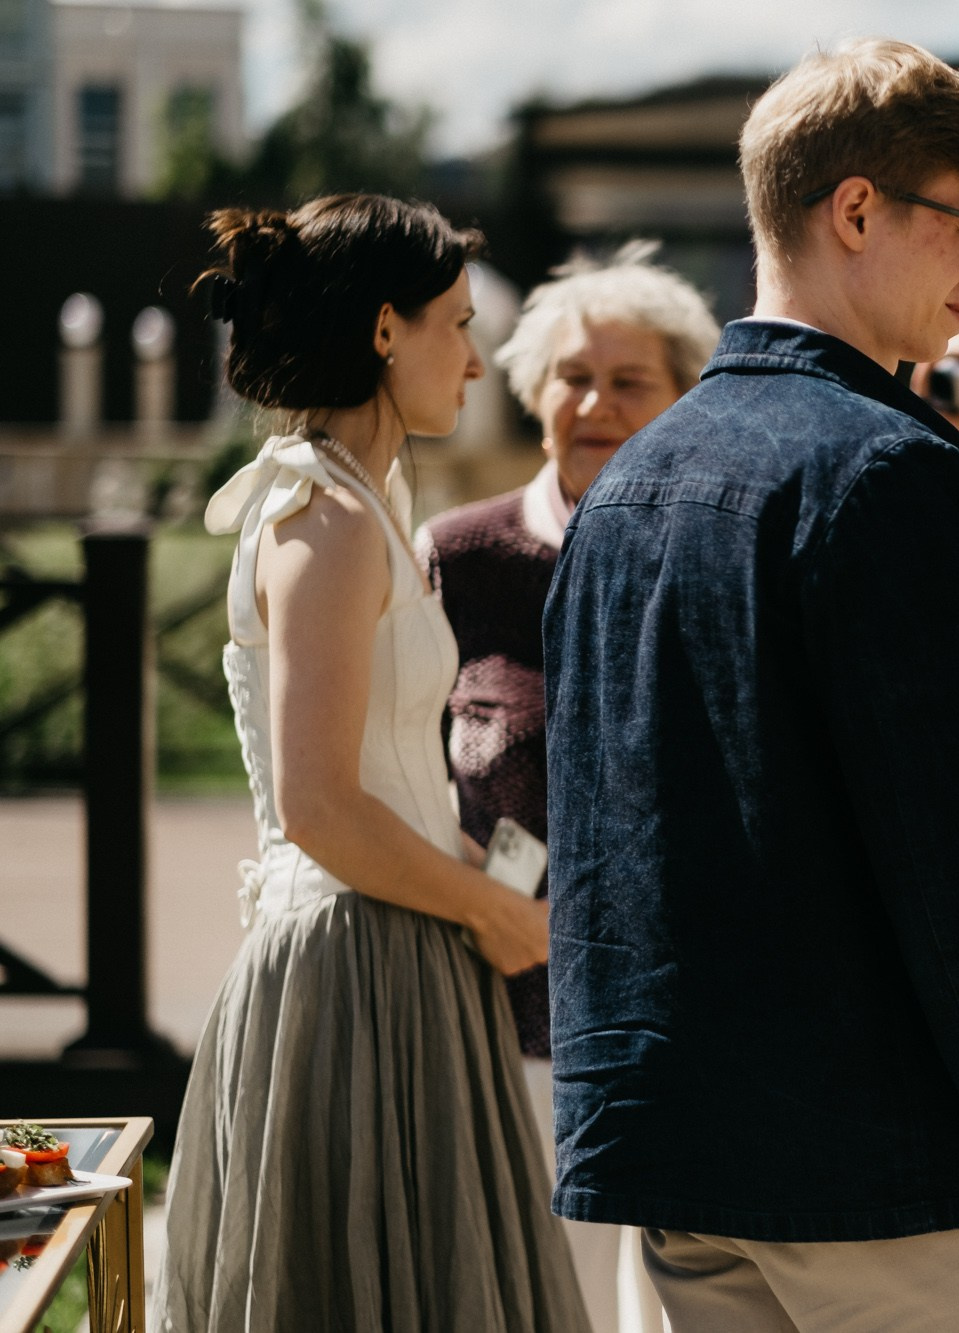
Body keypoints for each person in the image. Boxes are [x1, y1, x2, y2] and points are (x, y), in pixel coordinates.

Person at [542, 39, 959, 1333]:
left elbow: (604, 846)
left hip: (675, 1160)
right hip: (885, 1181)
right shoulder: (888, 468)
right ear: (856, 210)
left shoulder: (628, 482)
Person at [155, 195, 589, 1331]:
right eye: (461, 324)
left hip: (403, 946)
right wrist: (495, 914)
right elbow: (317, 805)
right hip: (353, 971)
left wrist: (482, 884)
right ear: (387, 329)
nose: (479, 361)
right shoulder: (324, 521)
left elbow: (382, 775)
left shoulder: (362, 503)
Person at [417, 241, 719, 1333]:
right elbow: (396, 772)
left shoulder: (721, 554)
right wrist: (478, 895)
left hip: (701, 1022)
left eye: (629, 380)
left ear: (684, 398)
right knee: (555, 1308)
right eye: (571, 377)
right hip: (516, 1022)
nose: (595, 403)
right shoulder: (459, 558)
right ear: (533, 393)